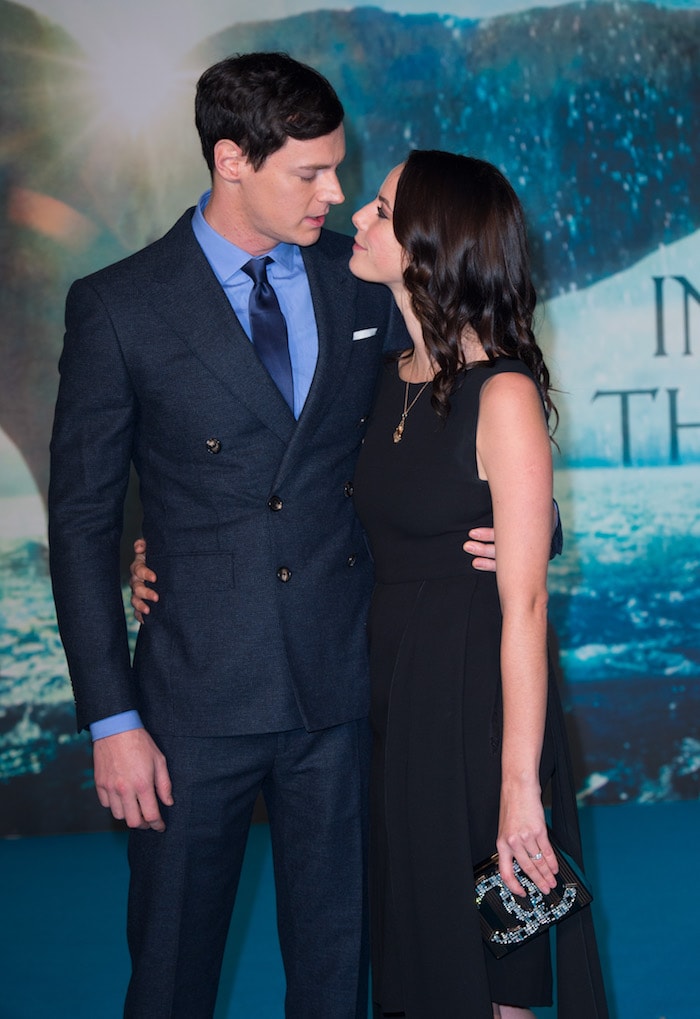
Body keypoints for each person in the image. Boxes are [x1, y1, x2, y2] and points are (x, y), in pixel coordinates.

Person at [48, 53, 502, 1018]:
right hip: (191, 703)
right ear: (230, 160)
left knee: (337, 974)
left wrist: (523, 516)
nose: (335, 194)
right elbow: (83, 521)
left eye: (339, 169)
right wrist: (112, 720)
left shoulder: (363, 283)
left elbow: (464, 399)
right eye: (311, 172)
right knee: (169, 974)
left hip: (341, 687)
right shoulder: (118, 306)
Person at [348, 152, 608, 1018]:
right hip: (393, 707)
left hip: (476, 710)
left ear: (428, 246)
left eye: (380, 209)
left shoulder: (503, 394)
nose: (357, 215)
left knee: (495, 963)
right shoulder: (386, 379)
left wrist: (517, 784)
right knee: (418, 962)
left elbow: (525, 604)